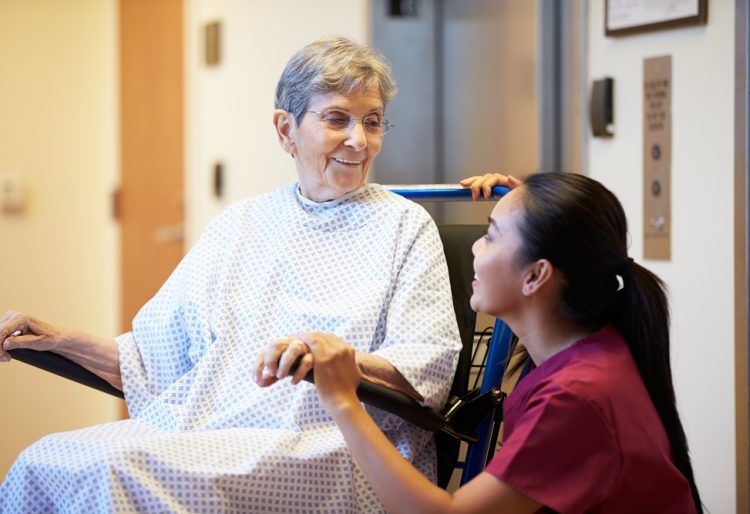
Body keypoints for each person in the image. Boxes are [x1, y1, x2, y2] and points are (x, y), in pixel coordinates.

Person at [0, 36, 461, 513]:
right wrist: (58, 339)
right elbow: (150, 361)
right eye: (337, 118)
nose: (359, 141)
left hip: (332, 446)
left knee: (115, 472)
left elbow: (427, 367)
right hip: (206, 431)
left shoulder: (403, 225)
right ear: (286, 130)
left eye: (372, 122)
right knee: (44, 461)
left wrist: (336, 360)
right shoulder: (240, 224)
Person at [274, 172, 703, 514]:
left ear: (536, 275)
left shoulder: (576, 397)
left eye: (492, 234)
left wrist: (344, 402)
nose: (475, 249)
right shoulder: (589, 345)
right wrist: (525, 205)